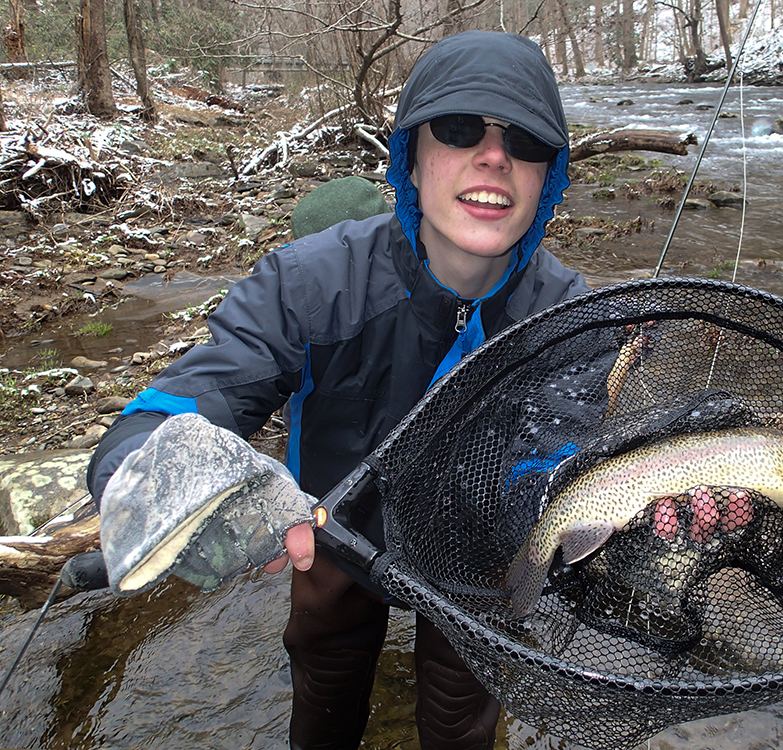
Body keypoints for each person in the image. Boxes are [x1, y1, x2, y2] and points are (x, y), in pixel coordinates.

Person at [87, 29, 589, 750]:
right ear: (410, 159)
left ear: (549, 178)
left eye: (527, 142)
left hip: (478, 562)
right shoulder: (308, 281)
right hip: (328, 536)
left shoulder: (570, 314)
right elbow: (191, 396)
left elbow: (572, 451)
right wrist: (148, 471)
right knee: (324, 699)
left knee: (461, 723)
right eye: (457, 129)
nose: (494, 156)